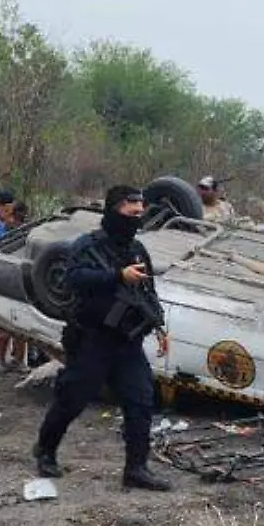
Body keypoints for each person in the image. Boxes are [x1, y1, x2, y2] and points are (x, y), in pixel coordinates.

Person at [33, 185, 174, 491]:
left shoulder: (138, 250)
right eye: (130, 213)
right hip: (92, 340)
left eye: (140, 214)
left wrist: (160, 326)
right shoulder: (87, 246)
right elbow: (73, 279)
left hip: (127, 343)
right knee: (72, 399)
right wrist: (116, 276)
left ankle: (136, 468)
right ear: (113, 211)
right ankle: (45, 451)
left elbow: (148, 292)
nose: (136, 219)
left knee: (141, 401)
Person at [0, 201, 32, 374]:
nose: (17, 222)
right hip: (1, 281)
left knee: (22, 327)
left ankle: (18, 360)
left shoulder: (27, 233)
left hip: (19, 282)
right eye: (16, 218)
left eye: (21, 219)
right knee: (3, 326)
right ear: (10, 215)